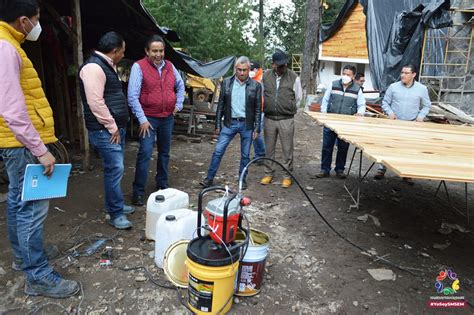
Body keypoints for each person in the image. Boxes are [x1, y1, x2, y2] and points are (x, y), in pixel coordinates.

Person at [0, 0, 79, 298]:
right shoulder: (6, 48)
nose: (37, 24)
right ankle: (38, 275)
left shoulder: (8, 43)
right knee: (31, 209)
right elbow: (11, 108)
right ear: (23, 20)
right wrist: (40, 148)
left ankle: (24, 257)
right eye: (36, 19)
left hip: (16, 142)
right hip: (22, 144)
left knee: (19, 205)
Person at [79, 31, 134, 229]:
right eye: (122, 51)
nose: (123, 55)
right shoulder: (94, 68)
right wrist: (112, 127)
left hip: (113, 128)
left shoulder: (106, 65)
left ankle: (113, 204)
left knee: (114, 169)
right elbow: (96, 103)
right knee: (115, 168)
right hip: (105, 130)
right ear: (114, 51)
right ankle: (115, 213)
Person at [128, 35, 185, 206]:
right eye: (154, 51)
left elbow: (180, 85)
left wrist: (179, 104)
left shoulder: (170, 66)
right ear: (147, 51)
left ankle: (162, 184)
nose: (158, 54)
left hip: (167, 117)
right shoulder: (139, 67)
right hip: (149, 118)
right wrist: (142, 119)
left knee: (164, 152)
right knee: (145, 153)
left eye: (161, 51)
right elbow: (132, 96)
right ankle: (138, 191)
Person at [200, 56, 262, 189]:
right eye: (239, 70)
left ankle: (242, 179)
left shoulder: (256, 86)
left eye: (244, 70)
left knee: (245, 155)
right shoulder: (227, 82)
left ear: (249, 69)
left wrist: (257, 128)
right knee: (218, 151)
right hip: (229, 123)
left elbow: (258, 109)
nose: (241, 73)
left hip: (247, 125)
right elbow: (221, 105)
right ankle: (209, 178)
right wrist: (217, 124)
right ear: (235, 69)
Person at [374, 64, 431, 183]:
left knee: (408, 149)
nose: (403, 75)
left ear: (413, 75)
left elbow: (426, 106)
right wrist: (390, 113)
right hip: (395, 123)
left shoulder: (422, 89)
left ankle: (406, 172)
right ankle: (381, 169)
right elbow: (385, 102)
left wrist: (420, 116)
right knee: (389, 146)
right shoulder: (393, 87)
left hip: (411, 124)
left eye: (406, 73)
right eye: (402, 72)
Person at [260, 50, 302, 188]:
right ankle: (268, 173)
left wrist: (288, 107)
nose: (283, 67)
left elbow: (298, 98)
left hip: (286, 119)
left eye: (284, 64)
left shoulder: (294, 77)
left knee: (287, 149)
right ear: (273, 65)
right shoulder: (265, 77)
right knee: (269, 149)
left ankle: (286, 176)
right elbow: (262, 95)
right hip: (269, 118)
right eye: (280, 65)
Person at [316, 64, 366, 179]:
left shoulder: (357, 90)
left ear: (353, 77)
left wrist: (360, 113)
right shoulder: (333, 85)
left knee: (343, 147)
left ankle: (339, 169)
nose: (345, 76)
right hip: (330, 121)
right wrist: (324, 114)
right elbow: (325, 100)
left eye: (348, 74)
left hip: (346, 124)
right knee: (327, 146)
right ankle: (324, 169)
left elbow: (362, 104)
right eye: (343, 74)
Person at [249, 60, 265, 165]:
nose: (249, 71)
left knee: (257, 133)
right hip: (252, 109)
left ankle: (262, 154)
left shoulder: (262, 79)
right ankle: (257, 155)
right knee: (253, 133)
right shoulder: (252, 79)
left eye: (251, 69)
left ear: (256, 69)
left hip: (261, 109)